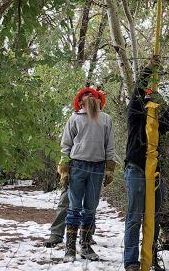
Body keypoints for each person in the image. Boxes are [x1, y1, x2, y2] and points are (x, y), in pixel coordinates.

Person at [124, 61, 169, 271]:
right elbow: (137, 92)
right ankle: (131, 262)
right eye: (147, 100)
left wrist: (160, 99)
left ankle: (151, 258)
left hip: (155, 172)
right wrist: (147, 71)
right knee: (135, 216)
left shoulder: (157, 121)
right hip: (136, 168)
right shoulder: (135, 116)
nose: (148, 103)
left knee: (153, 218)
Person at [58, 87, 116, 262]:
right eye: (86, 95)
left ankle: (85, 245)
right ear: (80, 101)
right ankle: (69, 248)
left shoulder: (106, 119)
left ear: (99, 100)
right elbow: (65, 145)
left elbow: (110, 146)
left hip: (97, 168)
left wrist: (110, 168)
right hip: (77, 166)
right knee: (74, 208)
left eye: (93, 95)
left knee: (90, 208)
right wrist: (64, 169)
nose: (90, 97)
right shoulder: (74, 118)